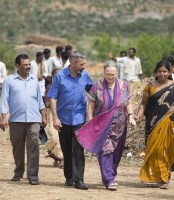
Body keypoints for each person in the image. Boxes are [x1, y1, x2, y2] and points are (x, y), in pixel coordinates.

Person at [76, 61, 136, 191]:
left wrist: (131, 116)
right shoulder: (96, 86)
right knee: (106, 151)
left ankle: (111, 176)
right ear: (104, 73)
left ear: (117, 73)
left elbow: (128, 102)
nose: (110, 77)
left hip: (120, 125)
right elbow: (91, 105)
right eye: (108, 74)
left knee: (117, 153)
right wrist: (90, 121)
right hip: (102, 125)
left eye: (113, 74)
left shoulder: (124, 85)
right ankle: (108, 179)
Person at [134, 60, 174, 189]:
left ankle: (163, 175)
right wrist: (139, 115)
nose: (162, 74)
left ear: (169, 72)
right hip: (153, 123)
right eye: (159, 71)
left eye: (165, 71)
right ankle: (163, 178)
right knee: (157, 150)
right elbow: (143, 103)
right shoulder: (150, 86)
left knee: (170, 150)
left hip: (171, 121)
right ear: (156, 72)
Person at [47, 51, 93, 190]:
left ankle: (79, 179)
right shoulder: (60, 76)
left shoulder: (85, 75)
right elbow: (53, 97)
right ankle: (68, 177)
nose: (83, 66)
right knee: (66, 149)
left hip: (79, 118)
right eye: (81, 64)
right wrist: (55, 118)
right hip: (63, 119)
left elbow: (91, 90)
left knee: (78, 149)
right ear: (72, 63)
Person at [0, 54, 47, 185]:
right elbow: (4, 100)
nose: (28, 67)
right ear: (17, 66)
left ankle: (33, 176)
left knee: (34, 147)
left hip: (33, 119)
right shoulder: (9, 81)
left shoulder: (34, 80)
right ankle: (18, 172)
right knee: (17, 148)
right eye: (25, 65)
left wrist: (43, 115)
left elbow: (39, 101)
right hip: (16, 120)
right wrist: (3, 118)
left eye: (29, 65)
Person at [44, 67, 63, 168]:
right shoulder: (49, 87)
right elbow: (47, 102)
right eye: (56, 76)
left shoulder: (66, 86)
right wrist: (52, 103)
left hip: (63, 114)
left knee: (61, 137)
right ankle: (56, 156)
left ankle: (61, 159)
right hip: (51, 115)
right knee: (53, 137)